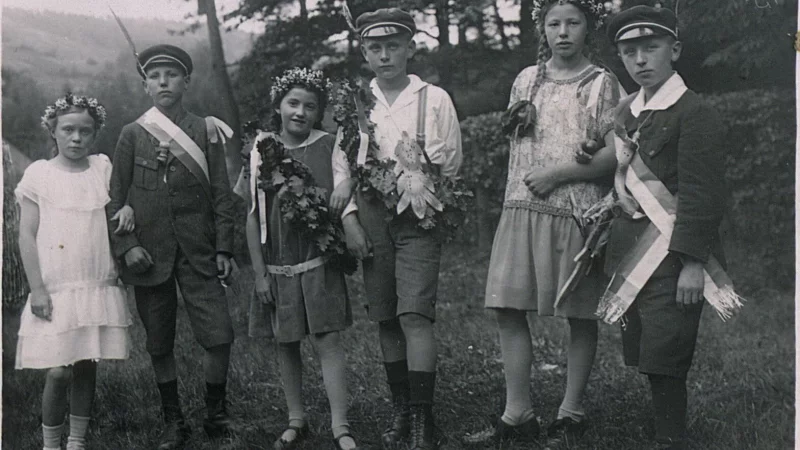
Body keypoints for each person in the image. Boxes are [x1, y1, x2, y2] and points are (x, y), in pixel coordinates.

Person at [465, 0, 624, 445]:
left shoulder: (601, 83)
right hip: (521, 208)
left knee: (578, 313)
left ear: (589, 27)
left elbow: (617, 153)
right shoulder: (526, 80)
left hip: (575, 212)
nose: (563, 32)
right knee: (507, 306)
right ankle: (518, 412)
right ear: (542, 29)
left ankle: (571, 412)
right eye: (554, 23)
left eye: (573, 22)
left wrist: (559, 173)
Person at [334, 7, 463, 450]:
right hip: (372, 218)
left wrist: (429, 195)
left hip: (420, 215)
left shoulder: (434, 99)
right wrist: (350, 220)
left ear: (410, 48)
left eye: (394, 46)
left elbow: (452, 162)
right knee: (387, 316)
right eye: (376, 47)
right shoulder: (355, 102)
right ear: (364, 52)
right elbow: (342, 168)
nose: (385, 55)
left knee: (414, 314)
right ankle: (402, 409)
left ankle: (424, 419)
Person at [601, 6, 729, 449]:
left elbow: (702, 193)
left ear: (673, 50)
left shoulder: (694, 111)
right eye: (629, 52)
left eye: (650, 48)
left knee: (667, 351)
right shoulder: (628, 112)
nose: (640, 60)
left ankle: (670, 437)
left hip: (675, 255)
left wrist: (693, 262)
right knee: (647, 348)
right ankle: (665, 427)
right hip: (636, 249)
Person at [107, 44, 237, 449]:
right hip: (149, 255)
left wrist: (224, 248)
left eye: (172, 75)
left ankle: (215, 413)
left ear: (187, 81)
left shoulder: (204, 130)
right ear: (145, 85)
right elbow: (113, 198)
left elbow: (222, 193)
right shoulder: (132, 134)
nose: (164, 82)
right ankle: (173, 420)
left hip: (199, 250)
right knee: (159, 342)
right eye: (155, 76)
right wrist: (127, 246)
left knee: (219, 334)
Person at [243, 67, 361, 450]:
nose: (300, 112)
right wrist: (260, 273)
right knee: (286, 341)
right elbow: (252, 215)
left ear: (319, 111)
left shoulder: (329, 145)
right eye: (292, 103)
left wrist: (347, 185)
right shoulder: (261, 149)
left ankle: (340, 424)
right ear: (278, 105)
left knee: (327, 339)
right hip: (278, 265)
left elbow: (348, 179)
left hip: (318, 261)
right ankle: (296, 419)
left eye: (310, 106)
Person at [16, 93, 134, 450]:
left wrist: (128, 208)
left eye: (85, 131)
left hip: (94, 281)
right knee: (58, 370)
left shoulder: (101, 168)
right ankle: (51, 444)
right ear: (53, 130)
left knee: (85, 363)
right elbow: (27, 234)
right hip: (56, 286)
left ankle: (76, 441)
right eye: (68, 130)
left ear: (95, 133)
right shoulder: (39, 174)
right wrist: (37, 289)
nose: (76, 138)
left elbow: (119, 201)